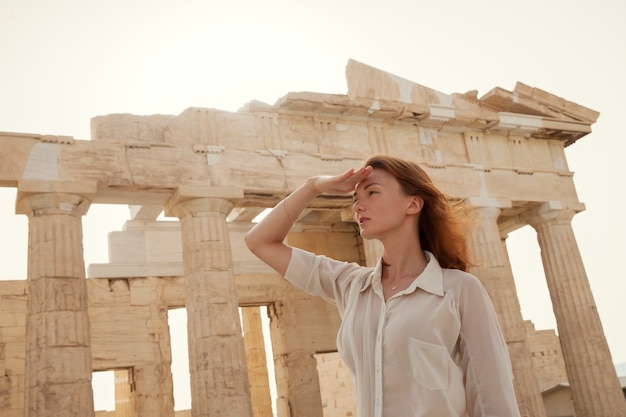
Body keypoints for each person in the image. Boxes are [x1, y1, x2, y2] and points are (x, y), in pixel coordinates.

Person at [244, 154, 521, 417]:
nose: (357, 205)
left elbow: (492, 400)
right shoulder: (352, 286)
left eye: (372, 193)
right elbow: (260, 241)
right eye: (355, 197)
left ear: (413, 204)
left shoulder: (459, 289)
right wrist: (313, 186)